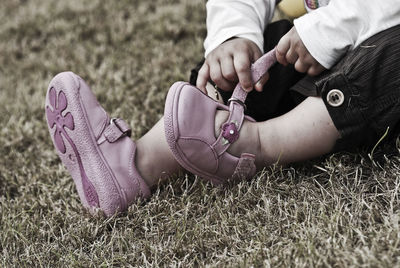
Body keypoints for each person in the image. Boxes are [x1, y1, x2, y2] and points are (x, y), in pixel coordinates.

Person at [45, 0, 400, 217]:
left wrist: (328, 30)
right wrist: (234, 35)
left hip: (380, 68)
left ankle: (256, 142)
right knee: (257, 55)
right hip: (327, 51)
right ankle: (135, 167)